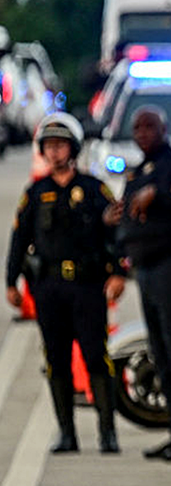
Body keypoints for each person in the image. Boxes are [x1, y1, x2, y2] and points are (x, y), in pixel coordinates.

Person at [7, 113, 126, 454]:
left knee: (95, 356)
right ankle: (67, 433)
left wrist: (118, 272)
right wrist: (11, 282)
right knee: (56, 359)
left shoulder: (93, 189)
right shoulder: (36, 192)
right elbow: (19, 239)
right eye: (49, 147)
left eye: (60, 146)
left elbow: (114, 235)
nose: (55, 152)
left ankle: (107, 431)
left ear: (72, 149)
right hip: (49, 287)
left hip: (88, 286)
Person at [114, 106, 171, 462]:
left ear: (164, 129)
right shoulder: (135, 171)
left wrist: (161, 194)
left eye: (149, 126)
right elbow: (127, 217)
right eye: (137, 127)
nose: (142, 133)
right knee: (160, 353)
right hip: (145, 270)